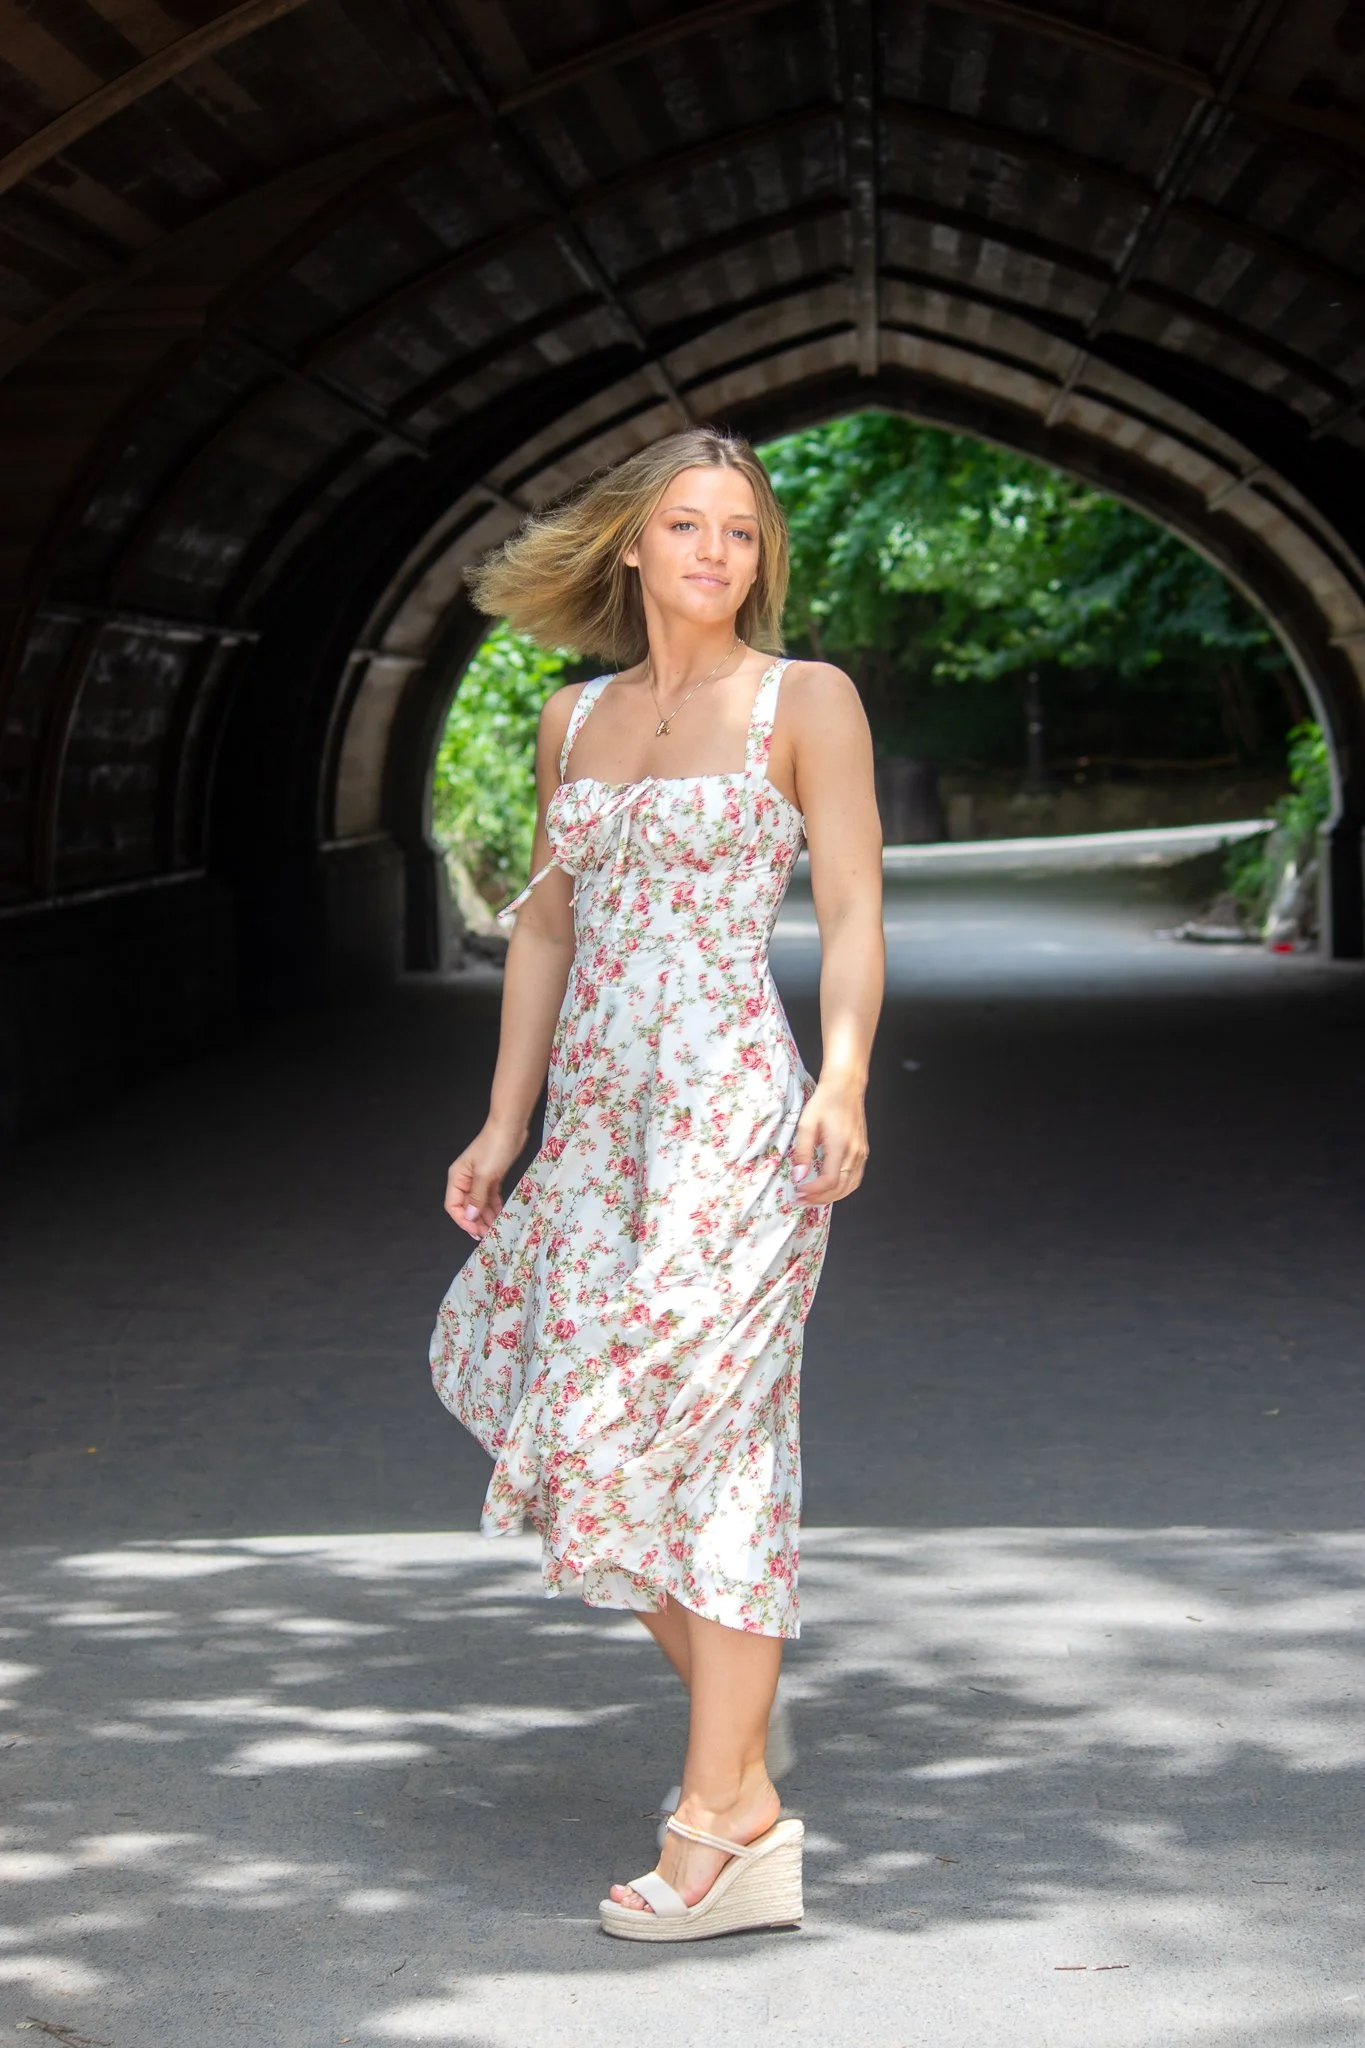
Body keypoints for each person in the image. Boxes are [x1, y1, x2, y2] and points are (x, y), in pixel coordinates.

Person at [429, 426, 884, 1941]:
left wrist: (841, 1076)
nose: (713, 553)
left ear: (761, 557)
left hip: (735, 1127)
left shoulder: (802, 702)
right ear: (631, 545)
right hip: (600, 1141)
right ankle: (741, 1759)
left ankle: (713, 1829)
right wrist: (506, 1122)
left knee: (719, 1443)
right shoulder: (571, 720)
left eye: (740, 533)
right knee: (584, 1447)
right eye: (686, 526)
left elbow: (850, 897)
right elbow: (547, 934)